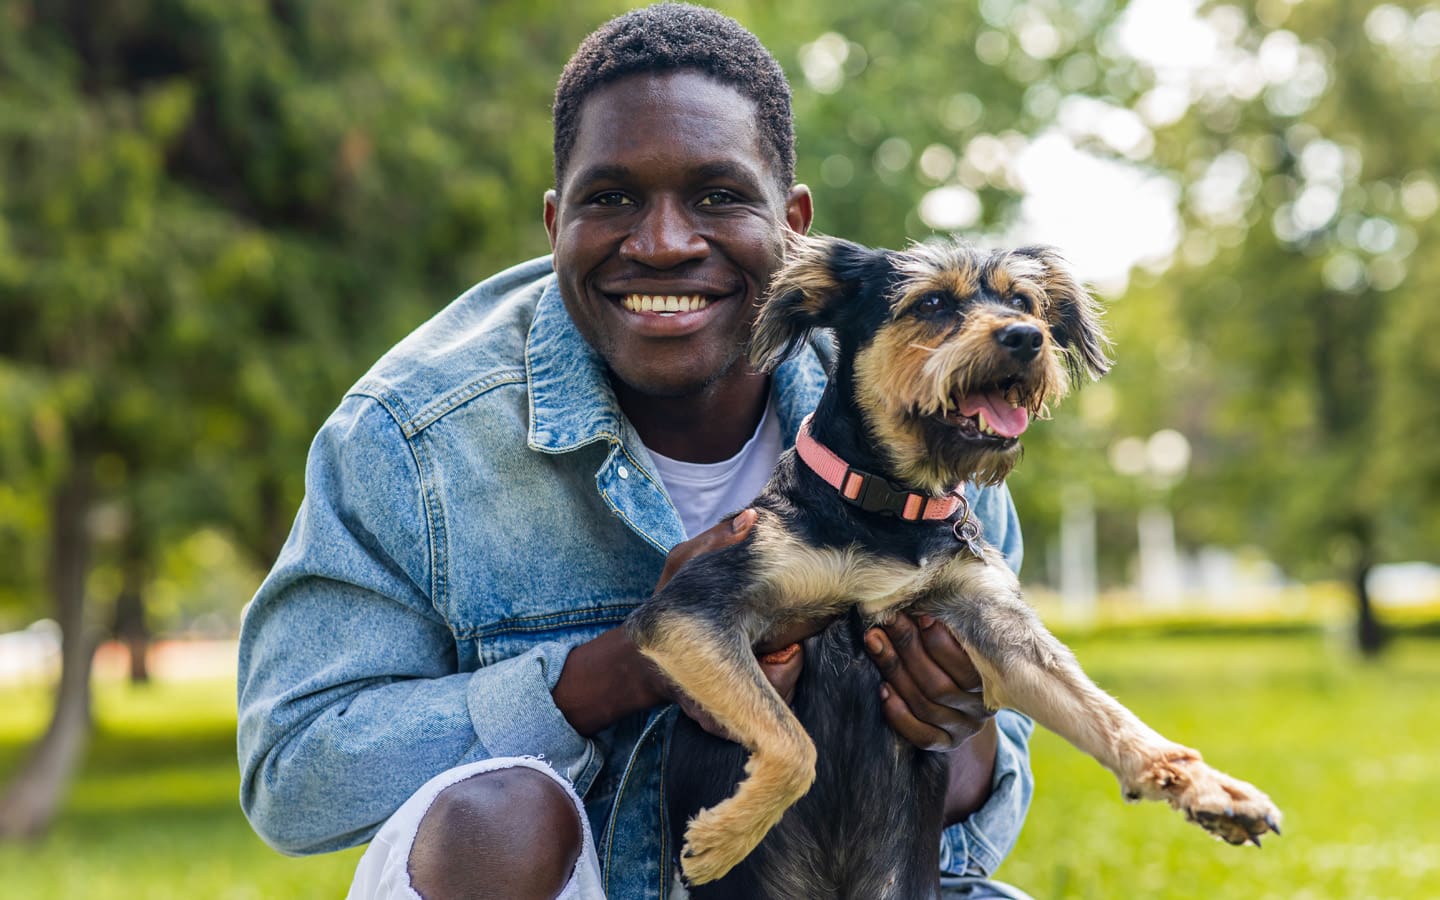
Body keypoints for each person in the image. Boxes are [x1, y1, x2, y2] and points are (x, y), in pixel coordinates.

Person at [236, 5, 1035, 898]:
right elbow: (293, 773)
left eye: (718, 196)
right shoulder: (413, 435)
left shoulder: (917, 401)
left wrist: (948, 715)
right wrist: (626, 669)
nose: (663, 244)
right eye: (611, 198)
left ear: (793, 224)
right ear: (555, 224)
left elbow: (978, 798)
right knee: (502, 818)